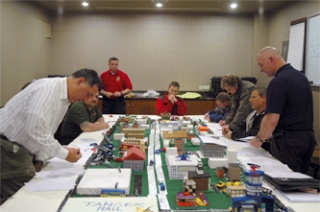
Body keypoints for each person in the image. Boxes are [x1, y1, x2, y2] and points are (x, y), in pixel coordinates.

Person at [0, 68, 102, 202]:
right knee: (23, 200)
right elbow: (36, 129)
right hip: (9, 148)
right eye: (88, 94)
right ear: (80, 81)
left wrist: (39, 159)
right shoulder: (47, 91)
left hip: (20, 149)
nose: (86, 99)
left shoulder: (64, 100)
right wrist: (64, 154)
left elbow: (46, 132)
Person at [250, 46, 316, 174]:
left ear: (271, 59)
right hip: (307, 139)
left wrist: (258, 139)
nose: (260, 69)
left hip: (288, 142)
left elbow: (272, 119)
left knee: (284, 184)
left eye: (261, 65)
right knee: (299, 184)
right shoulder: (301, 77)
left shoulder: (278, 82)